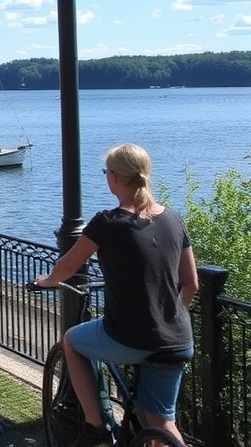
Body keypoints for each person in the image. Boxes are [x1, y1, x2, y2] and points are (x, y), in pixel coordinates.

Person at [33, 143, 198, 447]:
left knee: (72, 341)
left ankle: (95, 427)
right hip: (178, 338)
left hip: (130, 337)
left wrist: (47, 281)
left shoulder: (107, 222)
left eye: (106, 172)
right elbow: (191, 284)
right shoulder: (174, 219)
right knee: (159, 421)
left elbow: (68, 266)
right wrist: (169, 318)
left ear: (115, 177)